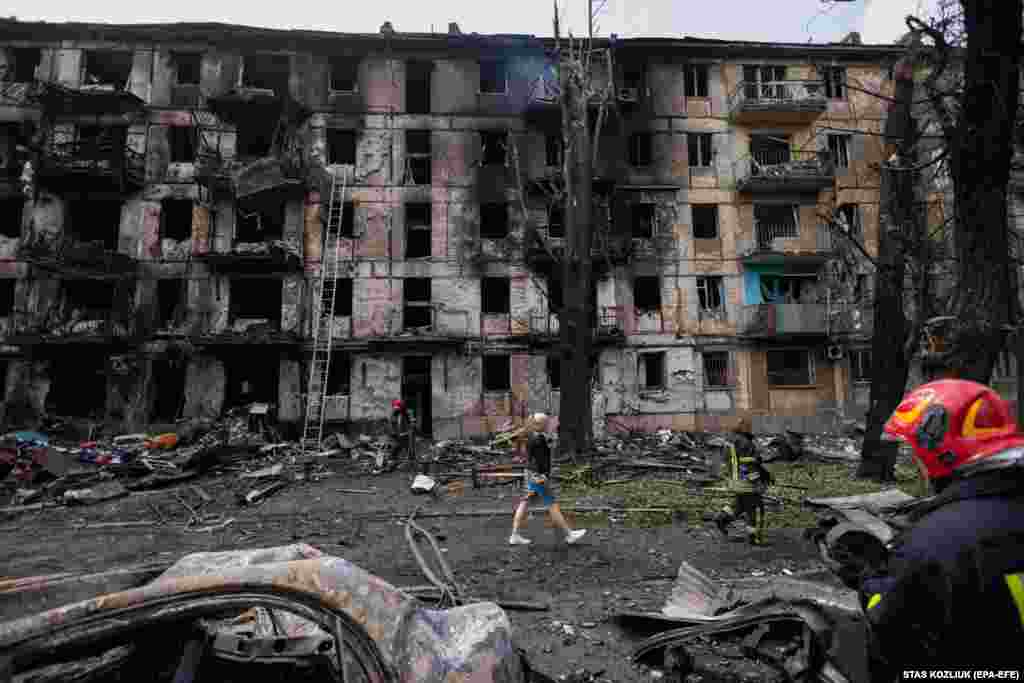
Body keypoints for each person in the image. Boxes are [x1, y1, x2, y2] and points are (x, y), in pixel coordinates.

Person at [860, 379, 1024, 679]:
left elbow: (890, 635)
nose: (917, 466)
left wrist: (870, 581)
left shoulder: (934, 542)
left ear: (940, 451)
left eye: (915, 454)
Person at [509, 413, 587, 546]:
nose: (549, 425)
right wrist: (543, 475)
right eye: (547, 423)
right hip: (537, 476)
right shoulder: (538, 439)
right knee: (552, 504)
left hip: (530, 473)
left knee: (524, 503)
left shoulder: (531, 436)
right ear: (540, 425)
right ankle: (569, 534)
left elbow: (532, 453)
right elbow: (540, 459)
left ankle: (514, 535)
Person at [713, 417, 772, 544]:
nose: (751, 429)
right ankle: (755, 538)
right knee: (756, 508)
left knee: (740, 504)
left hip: (733, 480)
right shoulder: (745, 443)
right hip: (746, 482)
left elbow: (728, 461)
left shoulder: (729, 441)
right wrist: (757, 482)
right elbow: (748, 465)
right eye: (749, 426)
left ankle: (722, 518)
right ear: (744, 428)